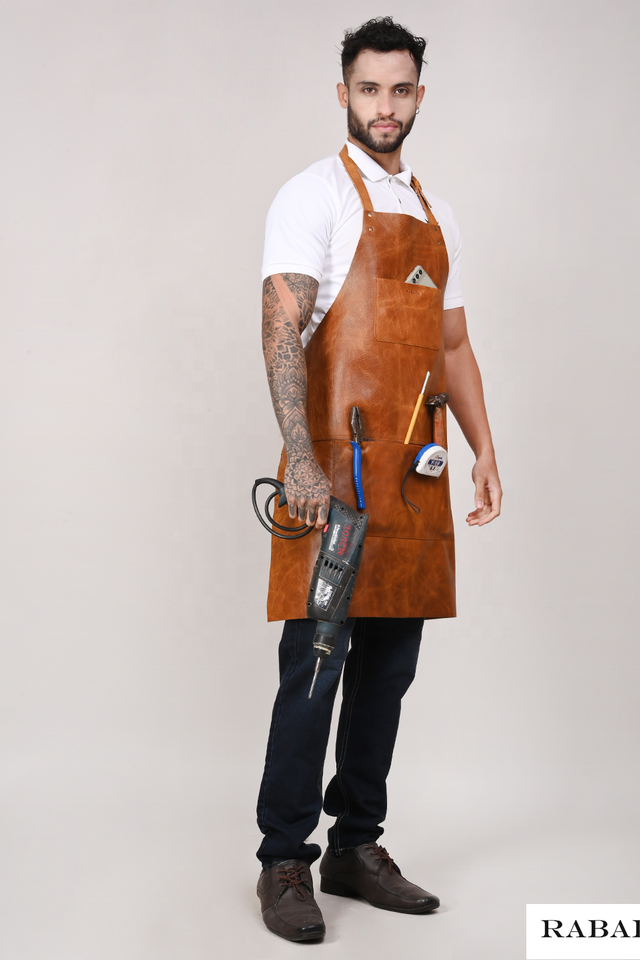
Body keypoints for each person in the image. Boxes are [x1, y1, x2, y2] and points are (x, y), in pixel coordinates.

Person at [256, 16, 502, 942]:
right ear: (344, 94)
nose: (385, 106)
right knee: (315, 667)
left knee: (388, 675)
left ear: (419, 96)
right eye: (370, 89)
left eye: (400, 90)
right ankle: (285, 858)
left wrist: (485, 450)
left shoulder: (439, 216)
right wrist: (301, 458)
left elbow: (453, 344)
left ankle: (356, 846)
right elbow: (280, 328)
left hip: (413, 478)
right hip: (334, 477)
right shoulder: (312, 196)